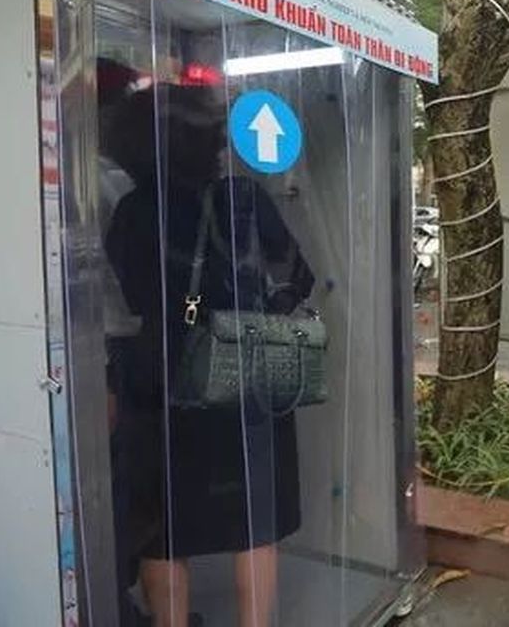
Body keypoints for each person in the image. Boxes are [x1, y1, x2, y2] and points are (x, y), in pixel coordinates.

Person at [104, 75, 313, 627]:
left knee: (164, 527)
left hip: (160, 378)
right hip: (243, 373)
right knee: (252, 520)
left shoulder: (130, 211)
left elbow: (127, 294)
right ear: (209, 141)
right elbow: (298, 276)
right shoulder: (242, 199)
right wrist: (260, 309)